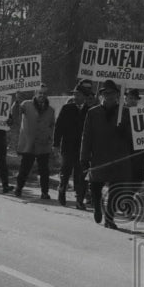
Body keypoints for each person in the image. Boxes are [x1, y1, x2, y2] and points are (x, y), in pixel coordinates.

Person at [79, 80, 131, 229]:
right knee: (95, 186)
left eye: (112, 94)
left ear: (117, 96)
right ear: (101, 95)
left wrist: (124, 131)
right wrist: (84, 157)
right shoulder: (93, 112)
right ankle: (97, 206)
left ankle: (110, 218)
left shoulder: (125, 113)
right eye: (106, 93)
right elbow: (86, 136)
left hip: (118, 157)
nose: (109, 96)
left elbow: (133, 136)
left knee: (116, 188)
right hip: (99, 156)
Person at [54, 80, 95, 209]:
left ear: (84, 96)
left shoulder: (90, 110)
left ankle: (79, 200)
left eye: (78, 95)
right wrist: (55, 144)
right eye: (75, 95)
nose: (76, 97)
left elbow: (92, 130)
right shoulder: (67, 108)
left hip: (83, 148)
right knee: (66, 170)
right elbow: (59, 126)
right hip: (67, 146)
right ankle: (62, 189)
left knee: (81, 174)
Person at [13, 84, 56, 199]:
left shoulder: (51, 110)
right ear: (35, 94)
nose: (42, 95)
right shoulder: (26, 104)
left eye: (44, 94)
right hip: (29, 143)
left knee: (44, 171)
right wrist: (17, 101)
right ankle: (18, 189)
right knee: (24, 168)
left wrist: (49, 138)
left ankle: (45, 192)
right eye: (40, 93)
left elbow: (52, 125)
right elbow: (16, 114)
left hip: (43, 144)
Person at [118, 87, 144, 218]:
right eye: (130, 98)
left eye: (135, 98)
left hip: (140, 152)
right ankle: (126, 206)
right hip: (125, 151)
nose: (133, 101)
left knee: (137, 179)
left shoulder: (142, 113)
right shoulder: (120, 112)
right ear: (125, 98)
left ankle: (125, 202)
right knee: (126, 179)